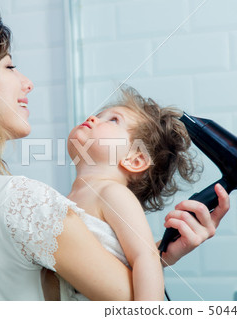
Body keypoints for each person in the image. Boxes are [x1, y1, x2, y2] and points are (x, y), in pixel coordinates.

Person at [0, 17, 230, 301]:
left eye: (113, 120)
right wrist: (160, 259)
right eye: (10, 66)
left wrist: (156, 256)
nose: (28, 83)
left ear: (136, 159)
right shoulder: (23, 203)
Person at [56, 87, 206, 300]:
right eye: (99, 115)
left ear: (135, 159)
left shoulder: (112, 193)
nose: (92, 118)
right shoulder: (68, 199)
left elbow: (146, 257)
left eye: (113, 120)